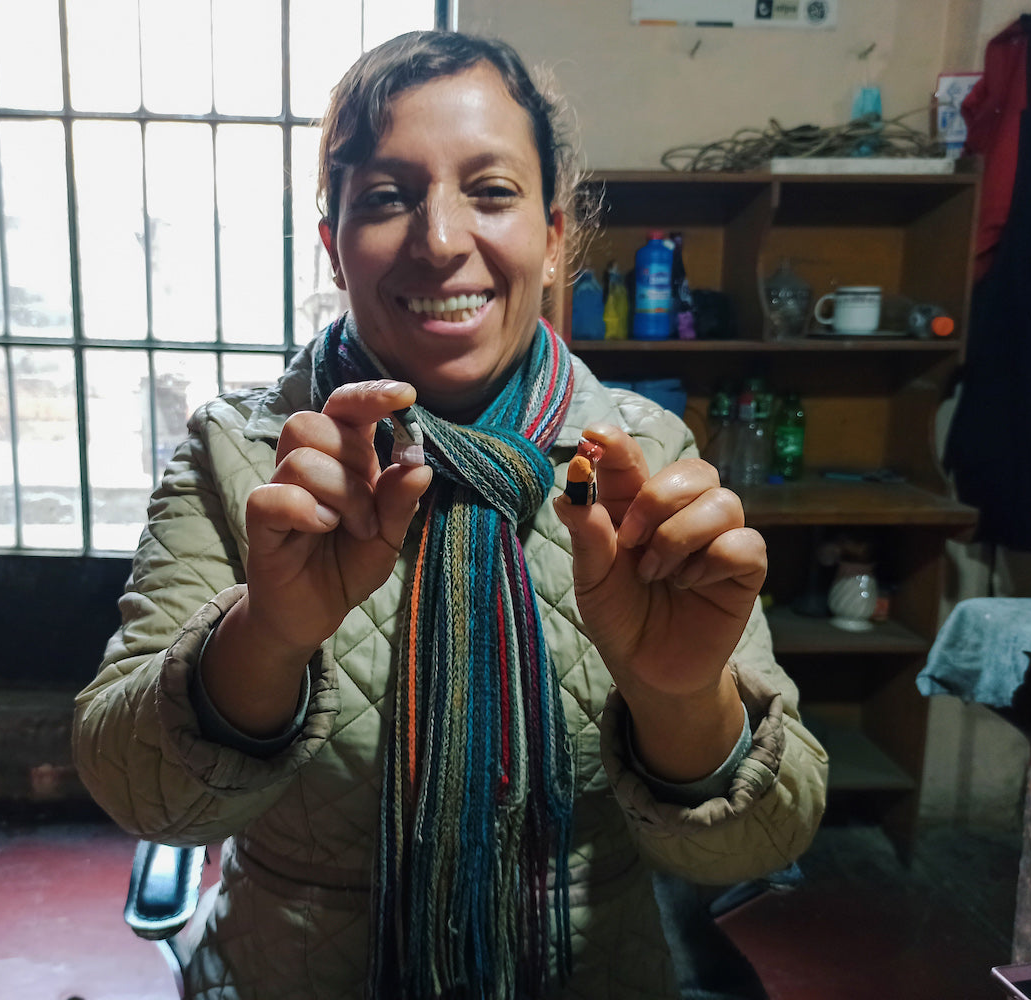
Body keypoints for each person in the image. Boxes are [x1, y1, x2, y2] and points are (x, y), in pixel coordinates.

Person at [73, 30, 827, 1000]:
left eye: (492, 190)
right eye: (386, 196)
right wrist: (267, 637)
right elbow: (143, 795)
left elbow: (764, 840)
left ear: (555, 236)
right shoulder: (241, 455)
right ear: (333, 244)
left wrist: (680, 697)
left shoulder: (641, 462)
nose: (438, 238)